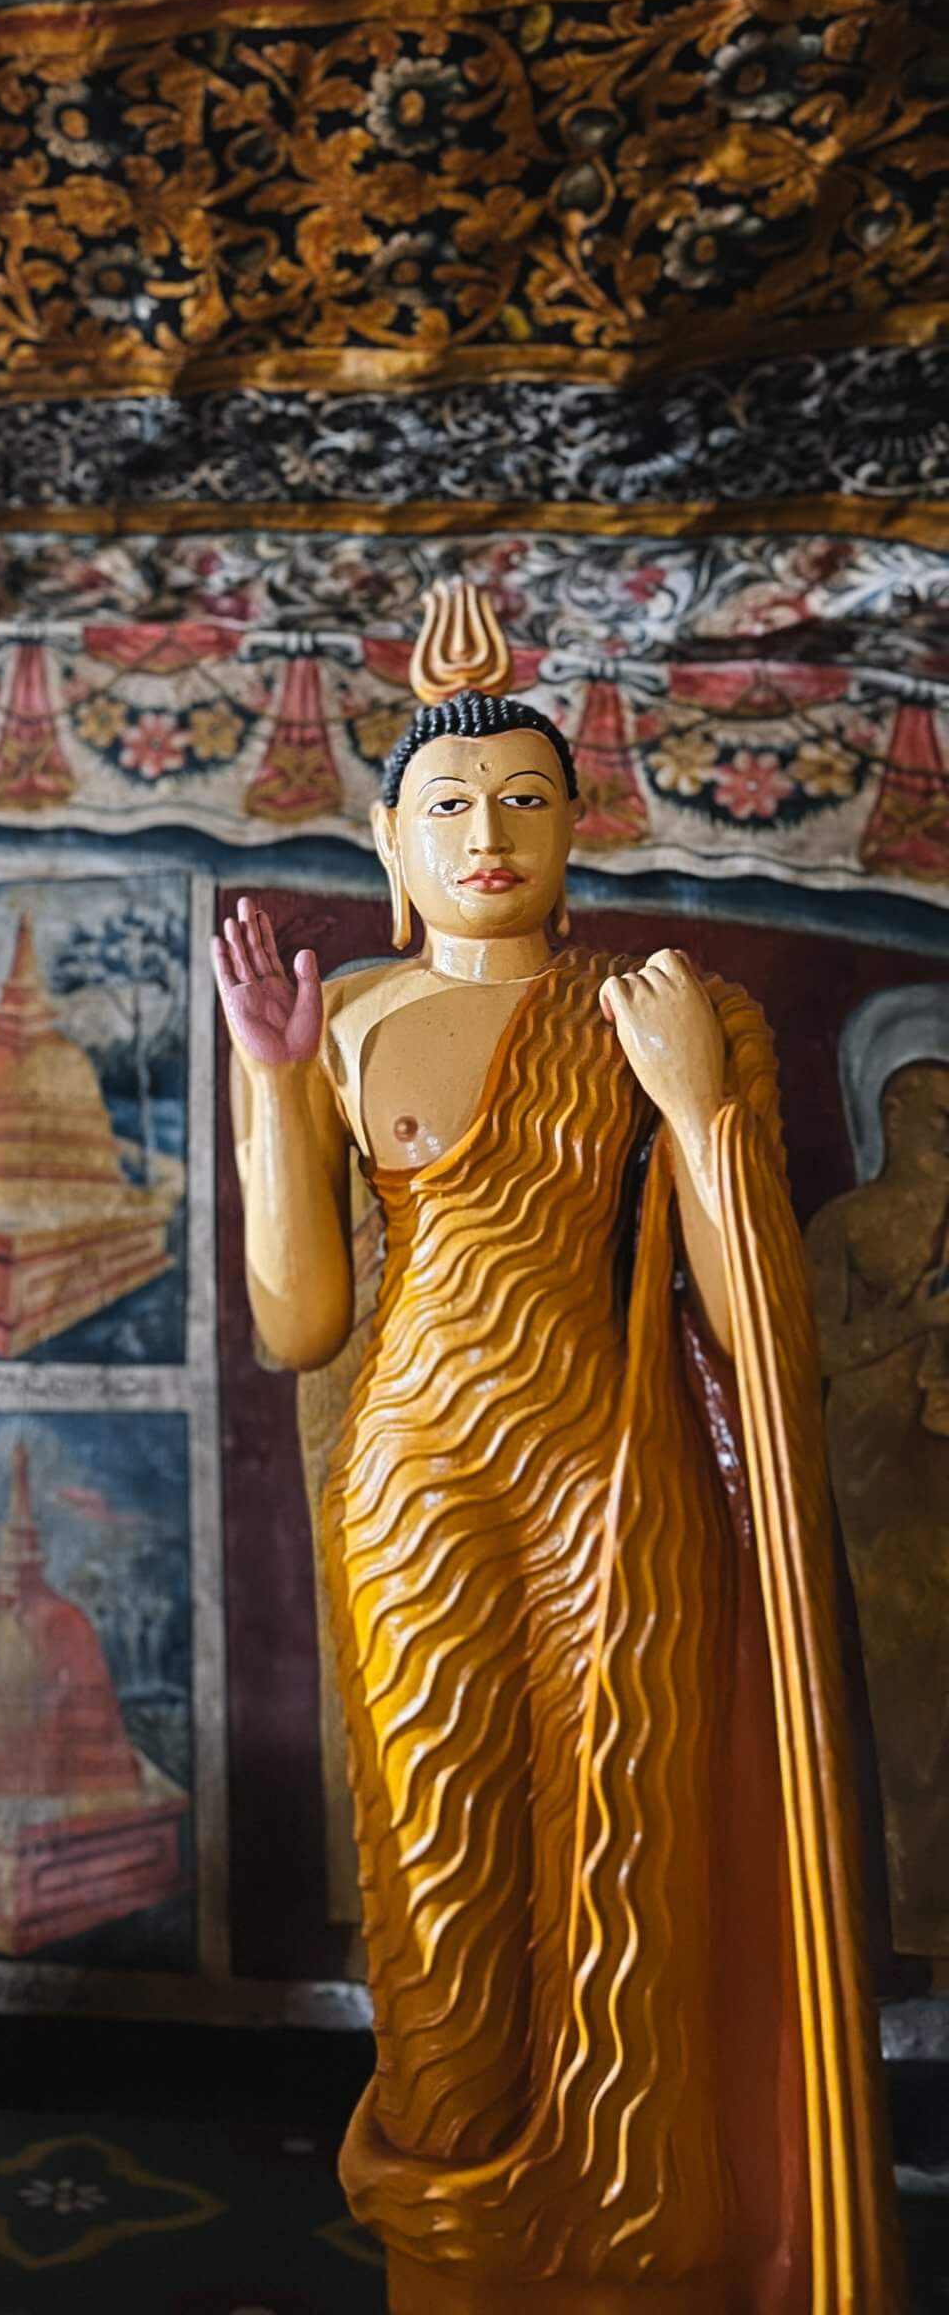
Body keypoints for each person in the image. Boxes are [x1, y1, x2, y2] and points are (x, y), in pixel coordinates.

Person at [215, 586, 896, 2314]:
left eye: (526, 799)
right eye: (448, 805)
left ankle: (640, 2255)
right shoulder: (346, 1022)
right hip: (417, 1485)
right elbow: (298, 1322)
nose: (488, 834)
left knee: (630, 1870)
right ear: (390, 843)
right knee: (439, 1879)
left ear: (577, 831)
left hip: (619, 1488)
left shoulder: (664, 1010)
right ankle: (454, 2264)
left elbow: (759, 1327)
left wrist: (698, 1108)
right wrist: (270, 1094)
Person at [806, 1056, 949, 1958]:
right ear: (893, 1111)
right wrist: (917, 1323)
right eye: (939, 1114)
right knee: (906, 1702)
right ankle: (921, 1937)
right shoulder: (848, 1224)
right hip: (878, 1467)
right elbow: (814, 1344)